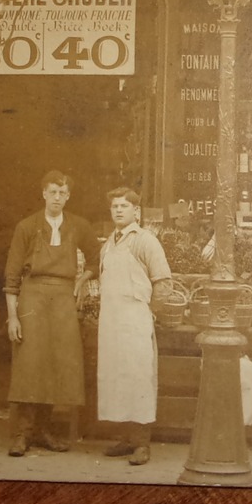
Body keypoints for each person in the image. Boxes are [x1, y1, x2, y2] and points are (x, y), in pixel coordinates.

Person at [3, 170, 101, 457]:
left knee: (57, 364)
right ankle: (22, 434)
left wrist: (81, 282)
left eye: (62, 192)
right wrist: (12, 316)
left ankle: (44, 431)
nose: (57, 197)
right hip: (32, 296)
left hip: (63, 301)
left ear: (68, 196)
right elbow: (11, 275)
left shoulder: (79, 226)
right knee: (30, 364)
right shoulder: (26, 226)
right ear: (43, 194)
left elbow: (96, 258)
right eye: (52, 192)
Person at [96, 187, 173, 467]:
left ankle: (142, 444)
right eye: (115, 206)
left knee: (139, 376)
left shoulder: (145, 241)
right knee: (118, 376)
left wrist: (150, 314)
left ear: (136, 212)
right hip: (112, 318)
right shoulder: (108, 243)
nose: (118, 210)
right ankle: (126, 439)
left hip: (135, 317)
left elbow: (163, 282)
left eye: (124, 206)